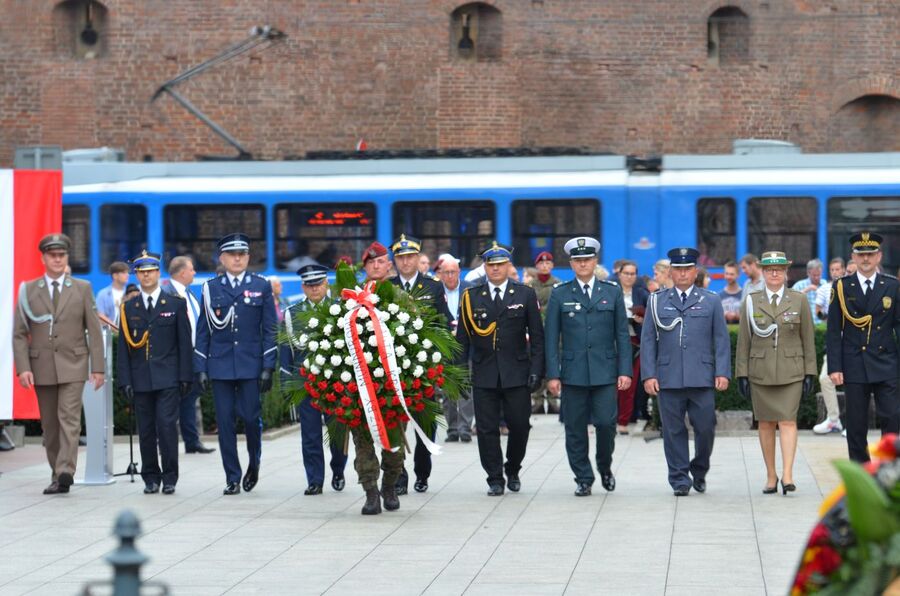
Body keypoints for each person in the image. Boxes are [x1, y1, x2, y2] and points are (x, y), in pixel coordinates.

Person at [13, 233, 105, 495]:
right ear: (43, 258)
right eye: (52, 255)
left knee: (69, 419)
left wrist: (97, 368)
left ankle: (66, 470)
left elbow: (94, 330)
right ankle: (57, 473)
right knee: (50, 426)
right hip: (41, 366)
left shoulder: (82, 288)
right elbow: (20, 333)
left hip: (74, 364)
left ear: (66, 258)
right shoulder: (29, 290)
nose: (57, 259)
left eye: (61, 255)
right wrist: (23, 367)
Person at [544, 237, 631, 496]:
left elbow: (622, 335)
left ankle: (604, 466)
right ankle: (583, 476)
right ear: (571, 264)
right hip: (573, 373)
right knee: (575, 427)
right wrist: (553, 374)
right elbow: (551, 338)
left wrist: (624, 370)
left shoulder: (611, 291)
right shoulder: (560, 293)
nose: (583, 264)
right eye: (578, 260)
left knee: (606, 424)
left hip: (605, 371)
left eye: (587, 259)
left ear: (595, 262)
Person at [641, 247, 731, 497]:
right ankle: (679, 478)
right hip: (668, 376)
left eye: (687, 269)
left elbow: (721, 340)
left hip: (701, 376)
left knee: (706, 427)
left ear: (695, 271)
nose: (682, 273)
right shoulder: (657, 300)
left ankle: (699, 470)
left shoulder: (711, 300)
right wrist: (649, 374)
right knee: (672, 430)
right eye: (677, 269)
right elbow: (648, 340)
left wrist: (722, 372)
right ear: (671, 272)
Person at [457, 242, 544, 496]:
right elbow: (462, 340)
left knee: (519, 426)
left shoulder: (525, 294)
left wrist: (537, 370)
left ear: (508, 266)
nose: (495, 269)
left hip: (517, 373)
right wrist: (461, 374)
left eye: (500, 265)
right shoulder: (472, 297)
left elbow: (537, 337)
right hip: (484, 373)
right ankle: (494, 477)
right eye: (490, 265)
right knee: (486, 429)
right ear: (485, 267)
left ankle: (513, 468)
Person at [195, 233, 278, 495]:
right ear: (222, 258)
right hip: (220, 365)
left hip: (250, 364)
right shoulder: (210, 288)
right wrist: (201, 367)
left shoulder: (261, 286)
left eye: (242, 253)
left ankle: (254, 464)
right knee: (225, 423)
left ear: (248, 257)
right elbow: (203, 331)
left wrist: (268, 366)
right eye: (232, 254)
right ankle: (232, 476)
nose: (238, 258)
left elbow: (270, 330)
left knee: (252, 420)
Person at [735, 251, 816, 495]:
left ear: (786, 272)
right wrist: (742, 373)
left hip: (792, 371)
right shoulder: (751, 300)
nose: (774, 273)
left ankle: (788, 475)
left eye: (779, 269)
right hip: (761, 371)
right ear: (762, 271)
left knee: (788, 421)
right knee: (766, 423)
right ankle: (771, 475)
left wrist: (810, 371)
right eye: (769, 269)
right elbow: (744, 340)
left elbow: (808, 338)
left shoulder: (798, 300)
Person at [117, 251, 193, 495]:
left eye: (150, 271)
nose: (146, 276)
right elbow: (124, 349)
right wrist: (125, 381)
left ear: (158, 273)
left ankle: (170, 476)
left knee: (167, 427)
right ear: (136, 275)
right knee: (147, 430)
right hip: (140, 379)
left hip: (168, 377)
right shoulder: (129, 307)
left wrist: (185, 376)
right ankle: (150, 476)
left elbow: (184, 344)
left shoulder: (175, 304)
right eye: (141, 272)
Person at [827, 232, 900, 463]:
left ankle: (891, 471)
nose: (866, 259)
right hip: (854, 362)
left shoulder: (892, 286)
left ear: (879, 256)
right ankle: (861, 472)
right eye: (861, 255)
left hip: (886, 362)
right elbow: (833, 331)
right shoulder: (841, 287)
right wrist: (834, 367)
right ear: (853, 257)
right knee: (856, 424)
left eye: (870, 254)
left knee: (892, 419)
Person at [389, 234, 452, 495]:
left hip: (424, 367)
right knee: (394, 424)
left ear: (418, 258)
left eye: (410, 257)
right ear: (395, 260)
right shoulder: (387, 287)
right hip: (392, 368)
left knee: (425, 422)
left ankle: (422, 471)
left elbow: (445, 322)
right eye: (401, 258)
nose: (406, 262)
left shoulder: (433, 287)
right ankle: (398, 474)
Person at [280, 264, 348, 495]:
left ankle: (338, 470)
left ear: (326, 283)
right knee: (310, 435)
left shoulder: (340, 309)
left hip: (336, 383)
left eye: (318, 283)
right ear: (303, 287)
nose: (315, 289)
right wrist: (287, 384)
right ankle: (315, 479)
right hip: (306, 383)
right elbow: (287, 351)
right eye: (309, 285)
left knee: (338, 431)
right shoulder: (293, 313)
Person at [352, 241, 405, 514]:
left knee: (394, 442)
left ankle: (390, 485)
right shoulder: (349, 296)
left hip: (392, 385)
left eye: (381, 261)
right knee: (362, 442)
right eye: (370, 262)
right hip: (359, 385)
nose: (375, 265)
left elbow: (413, 338)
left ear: (389, 265)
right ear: (365, 266)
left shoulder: (400, 296)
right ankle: (370, 491)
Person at [162, 255, 215, 454]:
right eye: (192, 269)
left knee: (189, 400)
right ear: (182, 272)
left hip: (192, 356)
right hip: (175, 358)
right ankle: (165, 444)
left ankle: (192, 442)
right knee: (171, 401)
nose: (194, 273)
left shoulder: (190, 293)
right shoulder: (166, 293)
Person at [437, 254, 475, 443]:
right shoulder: (436, 291)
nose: (450, 276)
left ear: (459, 272)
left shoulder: (469, 289)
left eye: (453, 272)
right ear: (441, 274)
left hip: (467, 346)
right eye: (446, 273)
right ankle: (452, 428)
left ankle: (465, 427)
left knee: (466, 388)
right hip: (445, 347)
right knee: (447, 391)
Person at [812, 258, 846, 435]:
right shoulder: (824, 289)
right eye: (832, 269)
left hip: (853, 343)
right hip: (834, 342)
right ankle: (834, 420)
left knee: (857, 382)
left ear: (844, 270)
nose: (835, 272)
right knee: (825, 378)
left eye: (838, 269)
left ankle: (854, 425)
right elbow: (818, 311)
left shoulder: (850, 286)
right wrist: (827, 315)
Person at [616, 260, 649, 432]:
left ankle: (624, 421)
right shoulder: (610, 291)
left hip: (634, 343)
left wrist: (641, 320)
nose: (629, 277)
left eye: (632, 273)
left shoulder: (642, 294)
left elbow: (651, 320)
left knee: (630, 383)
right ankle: (611, 418)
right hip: (613, 343)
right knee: (612, 384)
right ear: (619, 274)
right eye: (626, 273)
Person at [527, 251, 561, 415]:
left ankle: (553, 400)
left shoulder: (558, 284)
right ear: (537, 266)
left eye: (548, 263)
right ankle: (538, 400)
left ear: (552, 266)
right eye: (542, 263)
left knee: (553, 362)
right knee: (537, 362)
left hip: (554, 330)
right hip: (536, 330)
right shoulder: (530, 286)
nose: (545, 266)